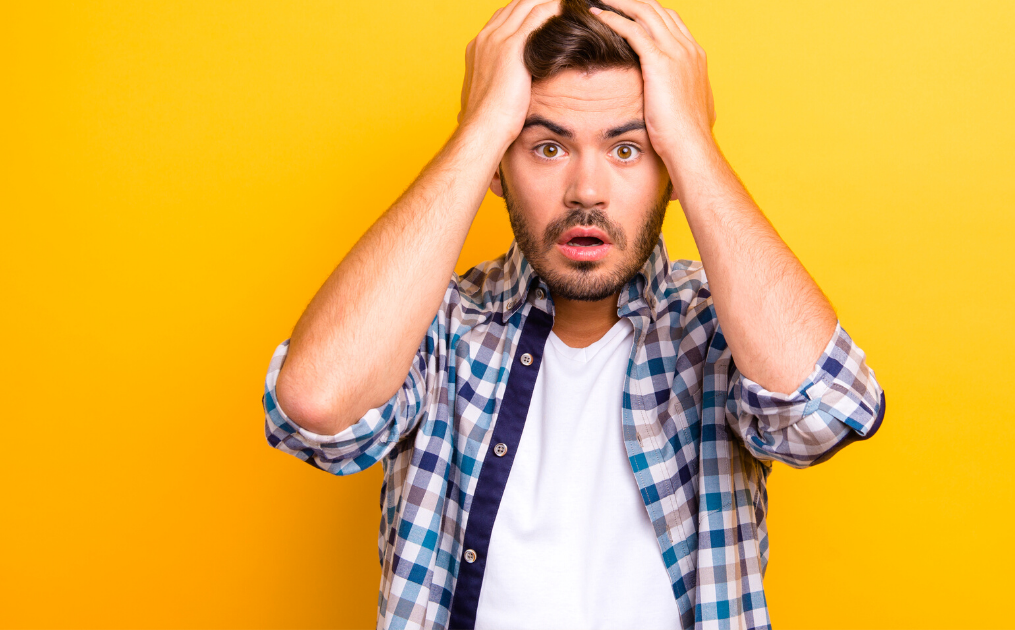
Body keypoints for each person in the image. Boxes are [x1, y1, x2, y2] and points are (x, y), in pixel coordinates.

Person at [261, 0, 885, 628]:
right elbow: (316, 411)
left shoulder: (718, 326)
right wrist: (478, 128)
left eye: (627, 150)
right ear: (500, 166)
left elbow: (826, 413)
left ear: (669, 166)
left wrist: (693, 139)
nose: (586, 191)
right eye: (549, 147)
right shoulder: (435, 325)